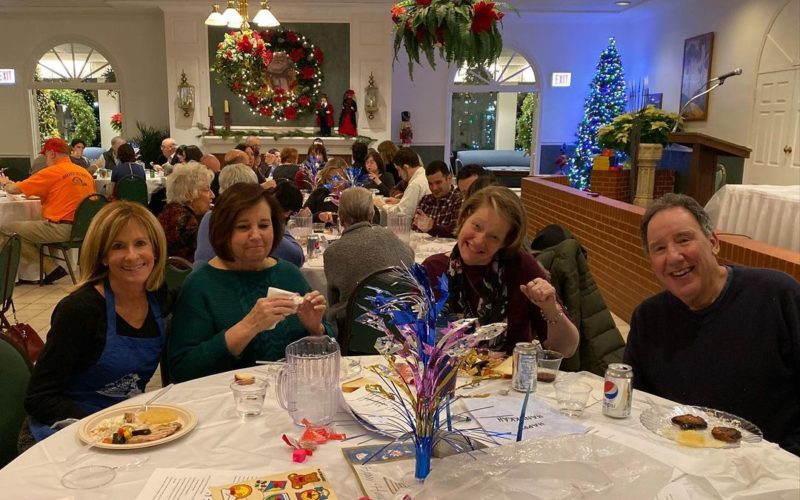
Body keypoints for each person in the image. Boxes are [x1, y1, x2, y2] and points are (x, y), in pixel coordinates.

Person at [623, 193, 800, 456]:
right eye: (659, 248)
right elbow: (638, 406)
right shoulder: (648, 318)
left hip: (773, 469)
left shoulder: (777, 295)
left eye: (684, 239)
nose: (673, 256)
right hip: (681, 466)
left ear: (713, 242)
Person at [22, 201, 170, 442]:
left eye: (140, 243)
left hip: (125, 428)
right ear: (102, 256)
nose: (132, 256)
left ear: (155, 249)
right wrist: (103, 426)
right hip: (64, 430)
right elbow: (39, 398)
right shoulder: (80, 310)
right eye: (118, 246)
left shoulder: (157, 297)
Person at [168, 183, 330, 382]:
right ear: (223, 232)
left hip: (291, 397)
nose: (256, 235)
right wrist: (249, 326)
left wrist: (316, 328)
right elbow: (182, 369)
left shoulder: (288, 274)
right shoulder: (201, 285)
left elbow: (328, 348)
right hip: (227, 402)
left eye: (264, 225)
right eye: (243, 227)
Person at [422, 186, 579, 356]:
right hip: (446, 380)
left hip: (507, 379)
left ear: (505, 242)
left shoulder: (520, 268)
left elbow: (565, 350)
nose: (480, 241)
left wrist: (550, 309)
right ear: (465, 216)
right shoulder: (433, 269)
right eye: (477, 226)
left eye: (494, 237)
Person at [0, 138, 95, 284]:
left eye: (45, 156)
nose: (45, 160)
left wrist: (5, 183)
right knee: (27, 229)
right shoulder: (85, 173)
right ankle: (51, 269)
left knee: (6, 229)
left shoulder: (51, 172)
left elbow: (14, 189)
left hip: (61, 228)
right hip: (84, 229)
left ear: (51, 154)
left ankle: (50, 268)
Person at [323, 187, 414, 330]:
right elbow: (410, 263)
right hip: (400, 328)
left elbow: (334, 300)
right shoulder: (393, 239)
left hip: (354, 333)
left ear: (340, 216)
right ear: (372, 214)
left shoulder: (332, 252)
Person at [157, 161, 214, 261]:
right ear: (190, 194)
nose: (212, 195)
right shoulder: (187, 221)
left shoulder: (168, 212)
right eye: (207, 189)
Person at [373, 147, 430, 217]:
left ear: (406, 167)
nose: (399, 174)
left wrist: (382, 205)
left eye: (398, 170)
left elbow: (402, 213)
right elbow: (415, 205)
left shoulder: (415, 184)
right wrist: (400, 202)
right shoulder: (424, 175)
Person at [413, 161, 463, 237]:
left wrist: (432, 228)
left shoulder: (459, 200)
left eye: (438, 182)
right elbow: (415, 228)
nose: (434, 188)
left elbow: (456, 231)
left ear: (449, 178)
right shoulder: (426, 199)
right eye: (430, 183)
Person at [301, 158, 347, 223]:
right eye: (330, 179)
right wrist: (318, 216)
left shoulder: (351, 197)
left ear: (347, 178)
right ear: (325, 179)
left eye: (339, 179)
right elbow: (301, 218)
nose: (334, 183)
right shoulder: (319, 194)